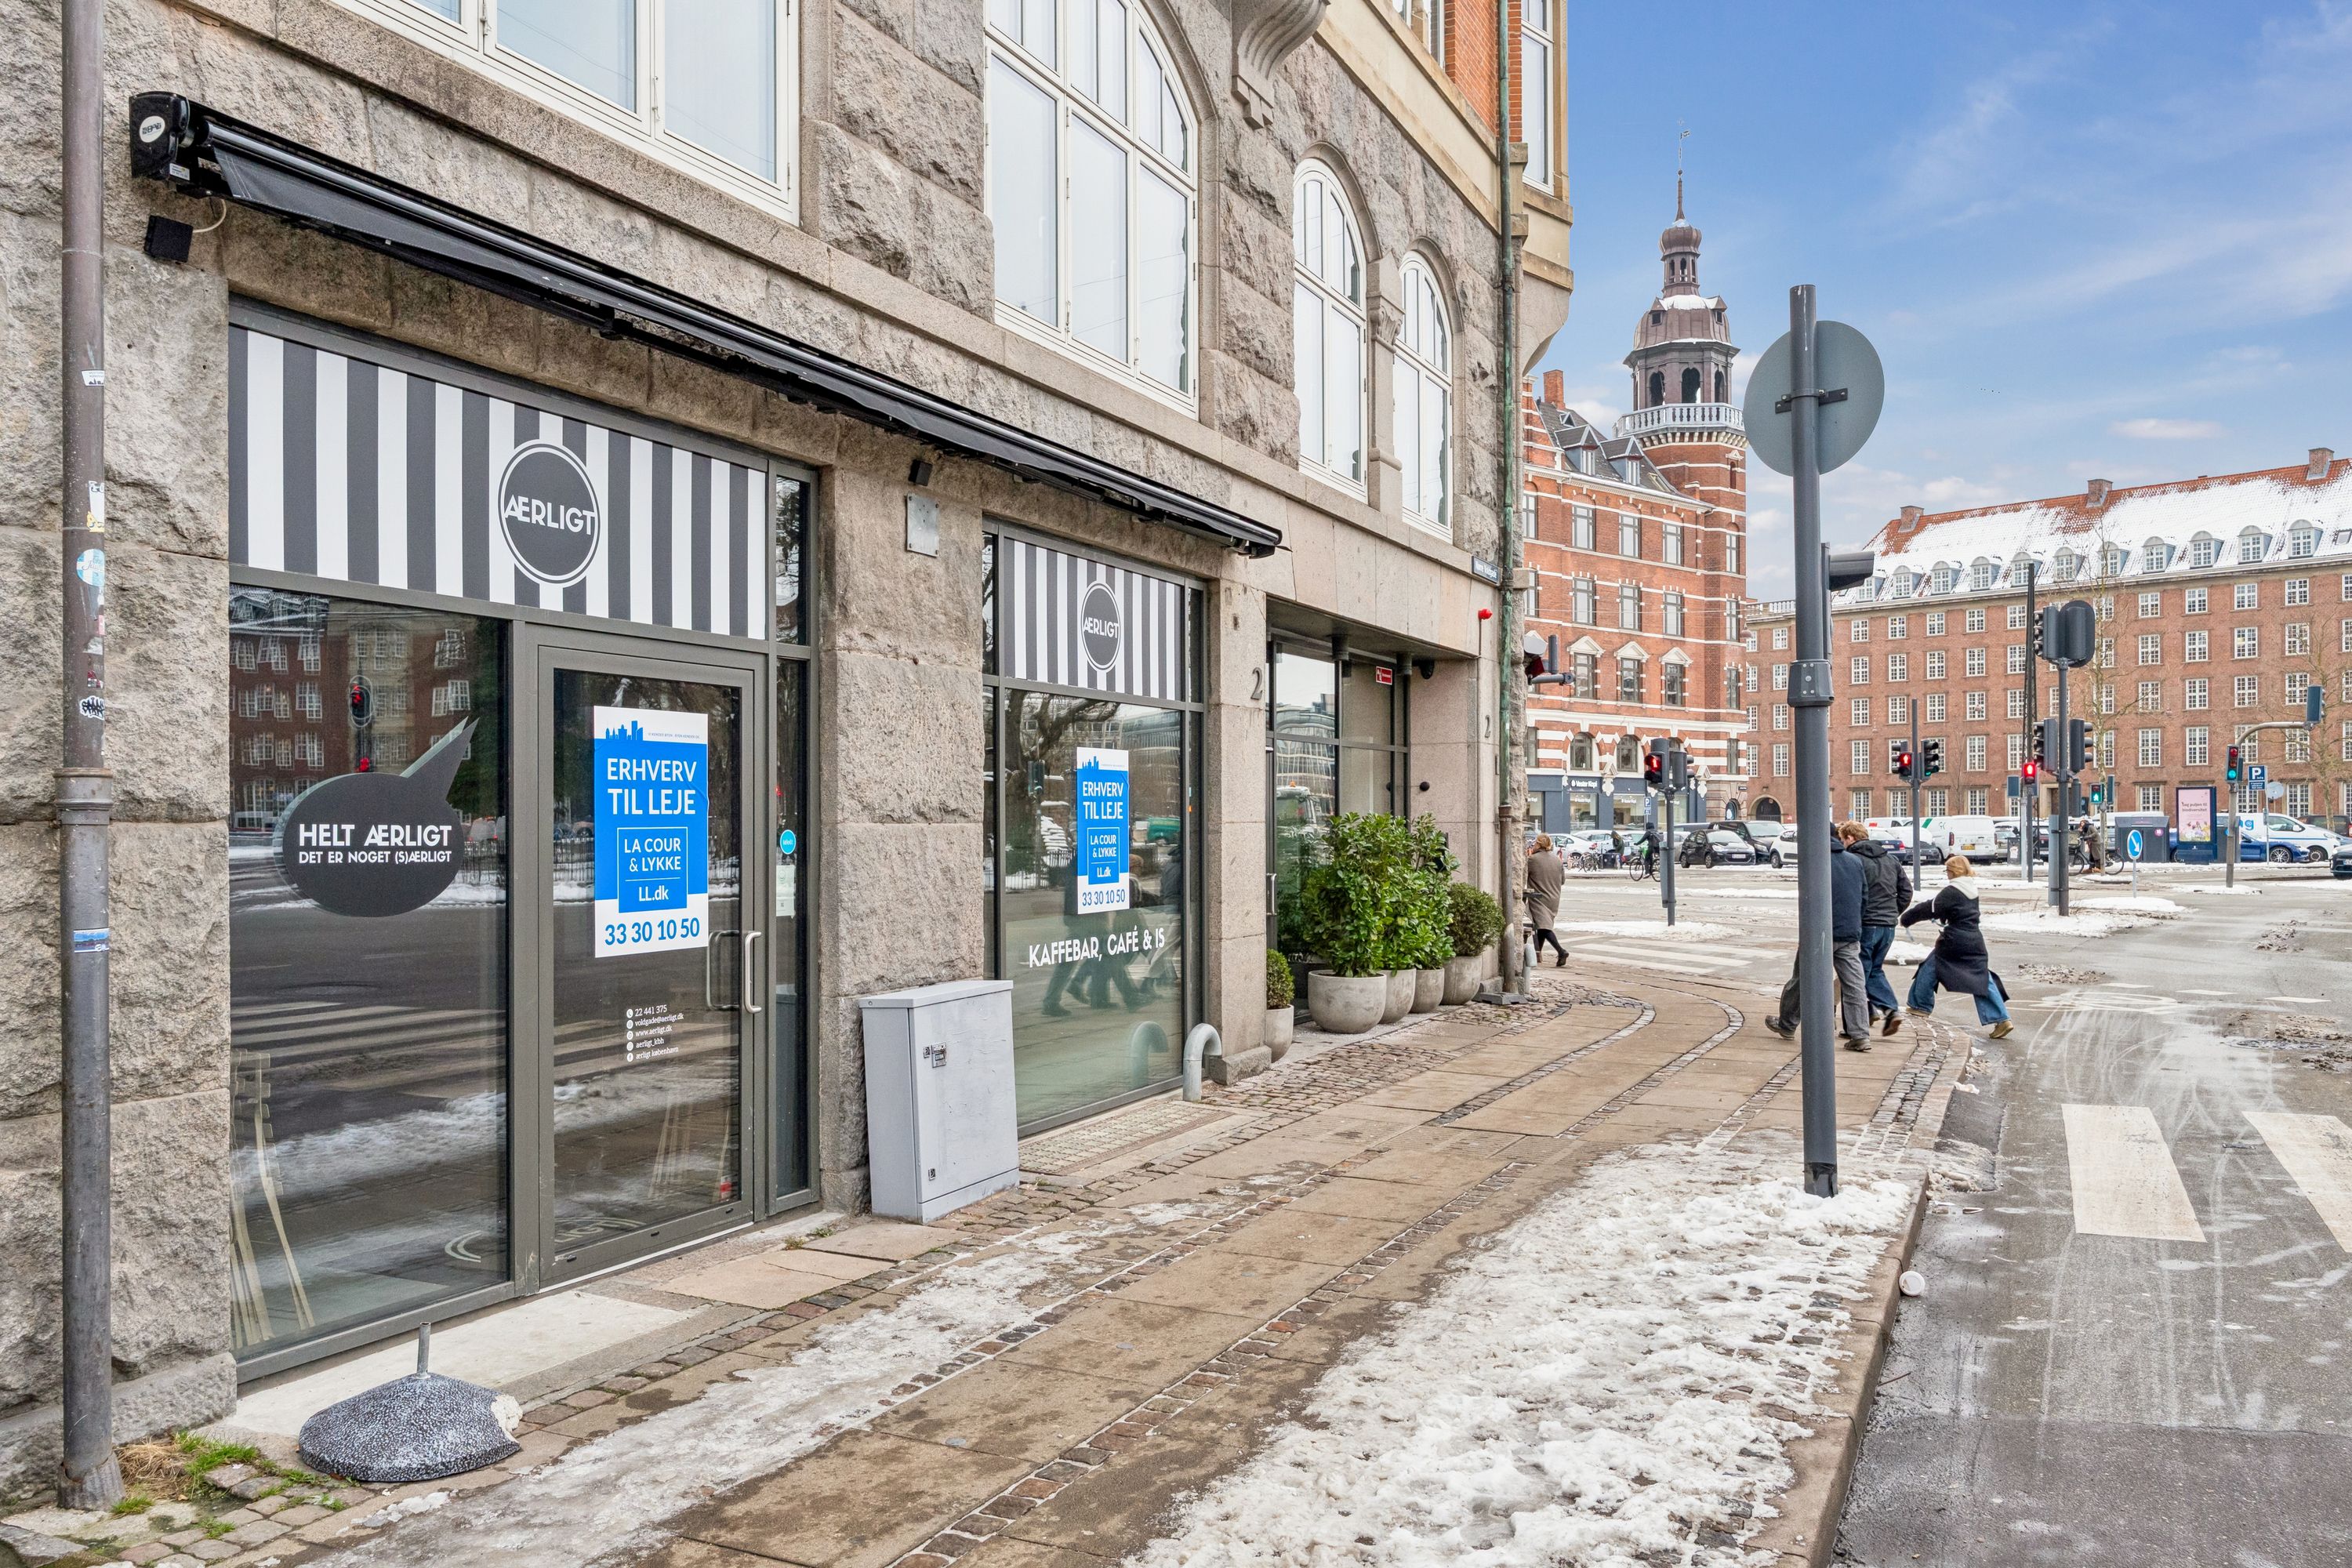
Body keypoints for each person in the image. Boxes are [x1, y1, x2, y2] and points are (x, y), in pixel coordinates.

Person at [1763, 820, 1872, 1048]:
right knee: (1853, 985)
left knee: (1801, 980)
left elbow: (1808, 898)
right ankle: (1860, 1034)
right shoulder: (1854, 862)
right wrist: (1856, 924)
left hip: (1819, 933)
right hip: (1849, 933)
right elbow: (1864, 898)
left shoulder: (1815, 861)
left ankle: (1787, 1024)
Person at [1902, 852, 2014, 1039]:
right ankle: (2002, 1019)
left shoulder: (1952, 890)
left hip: (1955, 940)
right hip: (1975, 940)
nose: (1946, 874)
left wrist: (1907, 919)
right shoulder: (1971, 889)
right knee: (1980, 978)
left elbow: (1929, 908)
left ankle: (1919, 1006)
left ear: (1953, 872)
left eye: (1947, 870)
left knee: (1931, 967)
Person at [1842, 822, 1913, 1036]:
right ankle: (1880, 1011)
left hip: (1866, 925)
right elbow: (1906, 892)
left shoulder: (1854, 861)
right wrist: (1892, 913)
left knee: (1856, 976)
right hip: (1887, 926)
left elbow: (1853, 895)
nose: (1842, 843)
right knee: (1874, 970)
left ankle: (1858, 1027)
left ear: (1851, 838)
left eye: (1843, 839)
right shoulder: (1890, 860)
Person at [1525, 834, 1566, 967]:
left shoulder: (1532, 860)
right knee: (1542, 925)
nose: (1533, 846)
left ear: (1539, 844)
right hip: (1554, 898)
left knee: (1543, 926)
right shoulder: (1557, 860)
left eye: (1535, 843)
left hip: (1539, 898)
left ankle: (1561, 951)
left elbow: (1522, 877)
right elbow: (1563, 880)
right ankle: (1538, 954)